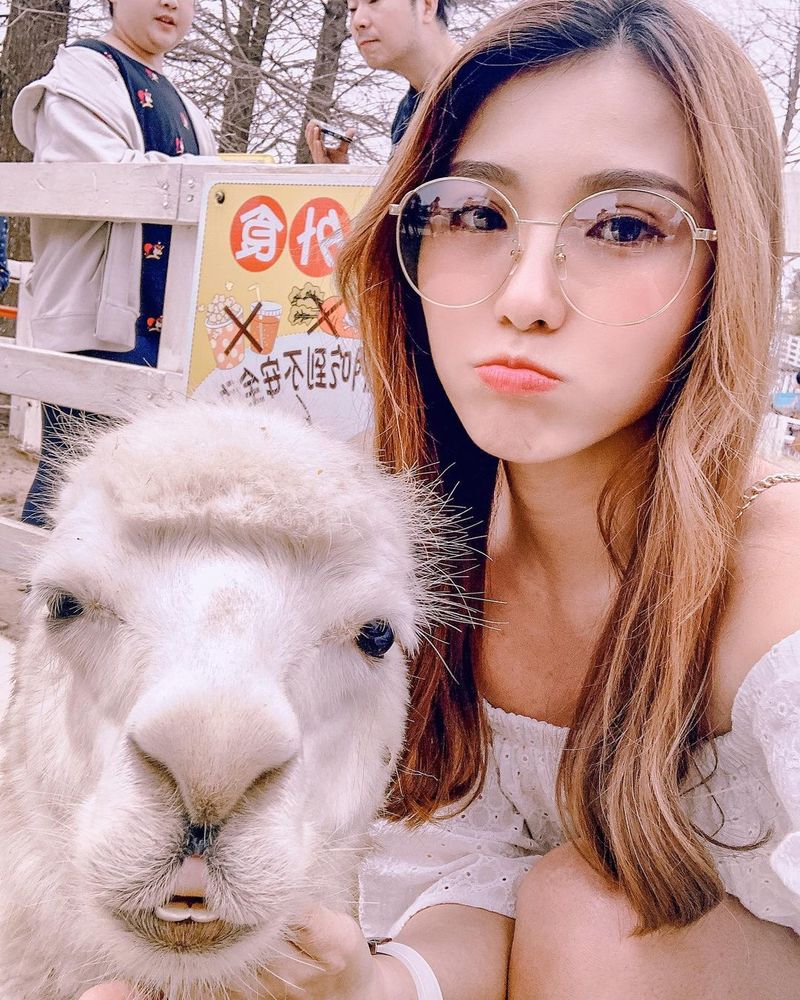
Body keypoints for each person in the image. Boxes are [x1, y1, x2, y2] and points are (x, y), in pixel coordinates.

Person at [82, 1, 800, 998]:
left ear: (725, 265)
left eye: (624, 226)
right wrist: (372, 985)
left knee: (585, 914)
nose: (525, 296)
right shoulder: (417, 550)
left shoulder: (774, 597)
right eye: (475, 213)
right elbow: (479, 872)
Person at [11, 0, 216, 526]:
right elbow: (101, 175)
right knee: (73, 480)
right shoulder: (82, 73)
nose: (172, 4)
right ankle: (37, 578)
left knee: (132, 493)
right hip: (99, 321)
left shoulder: (184, 104)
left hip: (166, 323)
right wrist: (219, 174)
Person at [304, 0, 459, 163]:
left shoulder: (477, 88)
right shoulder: (406, 114)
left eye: (374, 2)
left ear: (427, 5)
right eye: (353, 9)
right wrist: (341, 175)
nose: (358, 21)